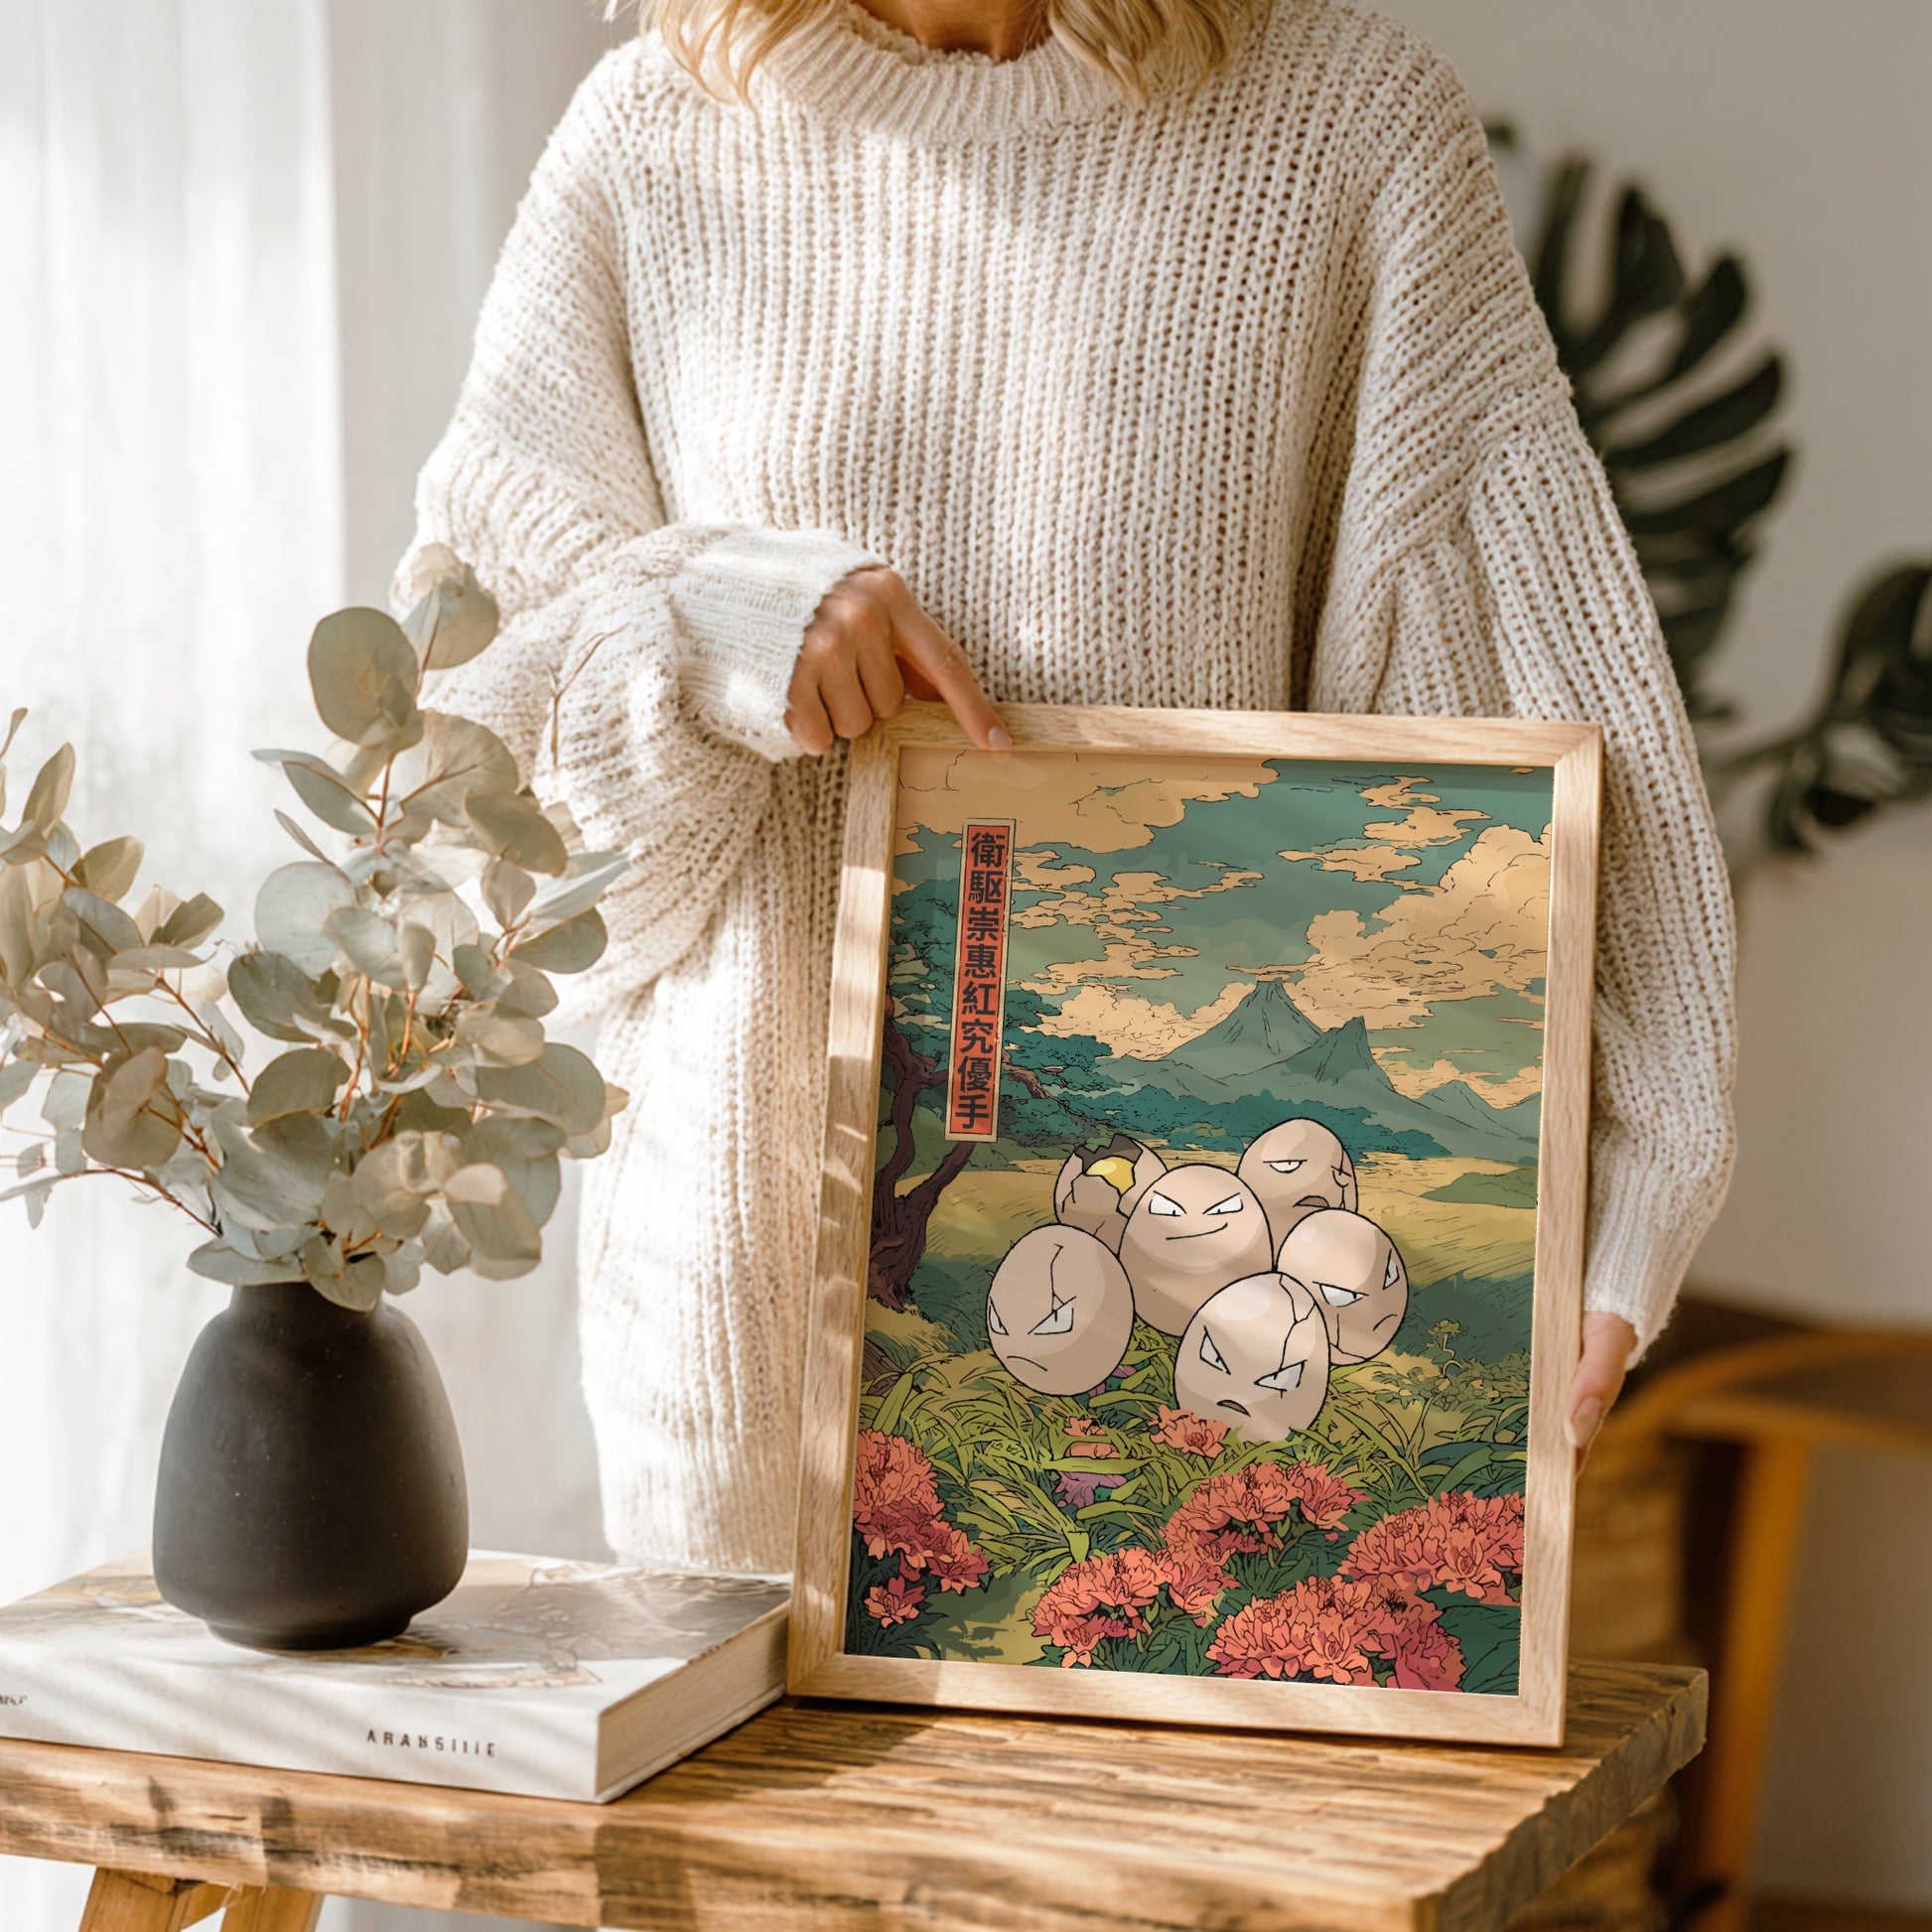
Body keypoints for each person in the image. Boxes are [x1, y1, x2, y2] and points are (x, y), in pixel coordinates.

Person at [393, 0, 1735, 1576]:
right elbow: (465, 821)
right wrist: (706, 620)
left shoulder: (1343, 127)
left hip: (1219, 1393)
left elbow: (1520, 696)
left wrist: (1630, 1172)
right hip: (731, 1345)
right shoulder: (650, 140)